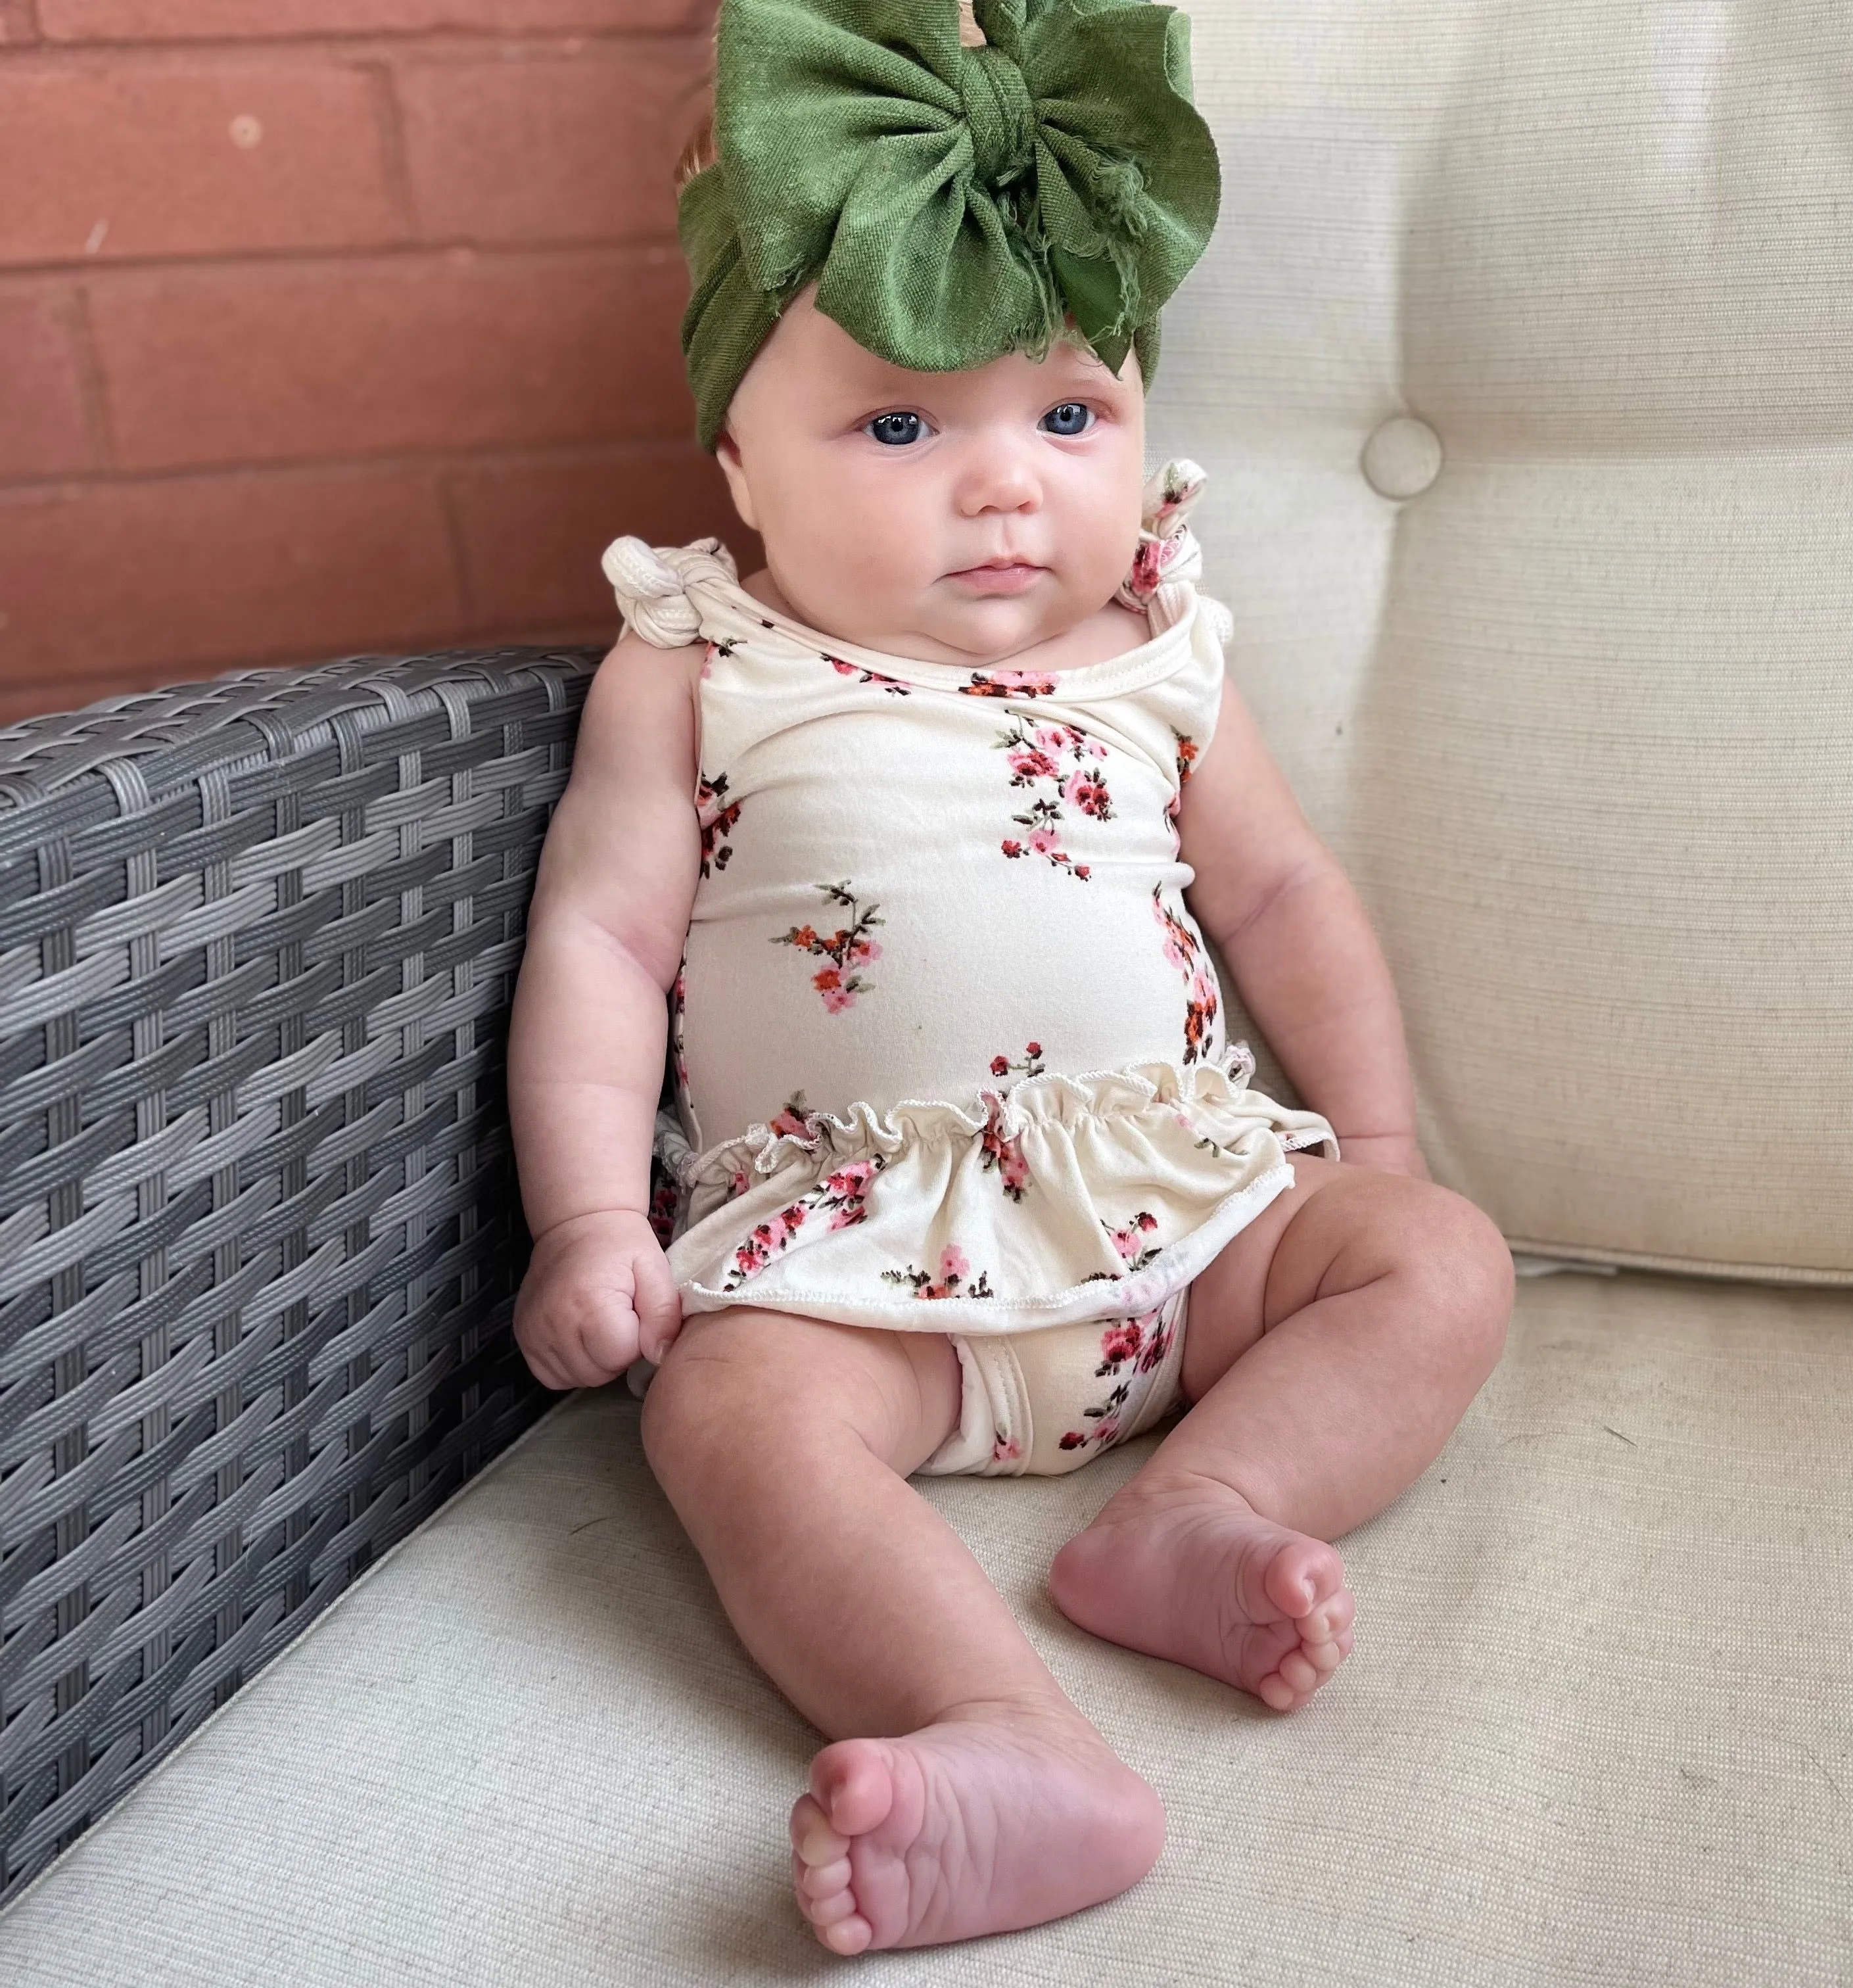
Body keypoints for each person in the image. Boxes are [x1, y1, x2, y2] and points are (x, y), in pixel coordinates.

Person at [508, 0, 1513, 1955]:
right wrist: (580, 1216)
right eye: (898, 425)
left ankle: (1192, 1516)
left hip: (1192, 1232)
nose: (1006, 486)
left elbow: (1288, 897)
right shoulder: (697, 665)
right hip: (859, 1276)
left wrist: (1371, 1155)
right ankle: (1006, 1742)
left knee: (1443, 1265)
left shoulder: (1160, 651)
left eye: (1071, 417)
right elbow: (603, 941)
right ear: (740, 456)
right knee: (723, 1419)